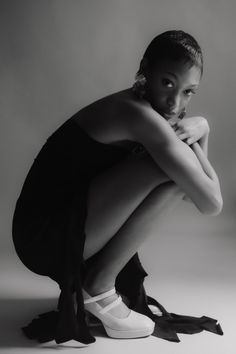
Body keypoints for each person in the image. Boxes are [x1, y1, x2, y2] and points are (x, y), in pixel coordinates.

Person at [12, 30, 224, 345]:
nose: (175, 101)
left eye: (188, 91)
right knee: (167, 167)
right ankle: (98, 286)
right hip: (44, 237)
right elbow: (211, 203)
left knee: (175, 176)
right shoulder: (139, 116)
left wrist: (202, 129)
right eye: (167, 83)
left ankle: (97, 282)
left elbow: (192, 192)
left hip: (57, 229)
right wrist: (203, 131)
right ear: (145, 69)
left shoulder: (145, 109)